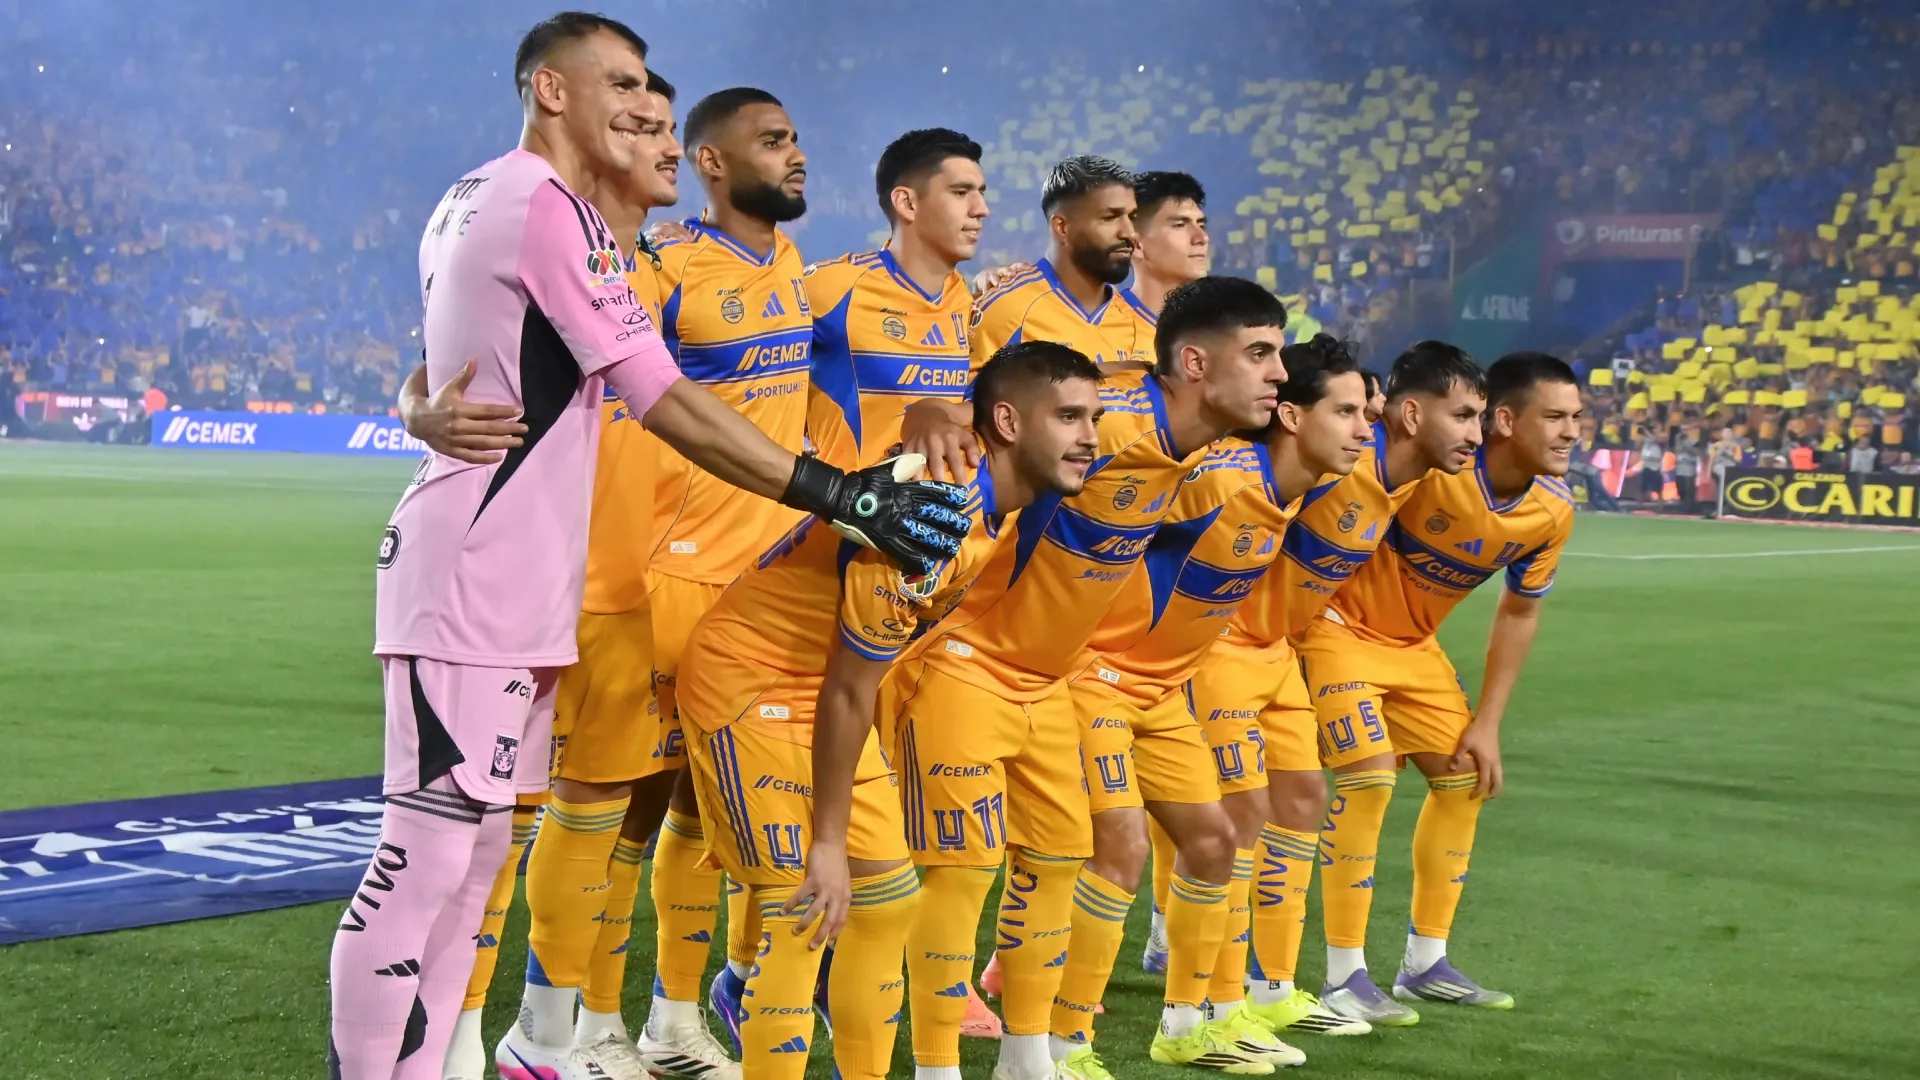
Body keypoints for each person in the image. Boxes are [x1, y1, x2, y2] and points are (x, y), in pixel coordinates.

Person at [325, 16, 968, 1080]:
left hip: (530, 573)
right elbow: (657, 394)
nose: (645, 112)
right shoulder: (556, 212)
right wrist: (839, 496)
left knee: (485, 849)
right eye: (622, 85)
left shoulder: (497, 201)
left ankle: (490, 1050)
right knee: (433, 851)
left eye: (659, 101)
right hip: (512, 569)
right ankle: (498, 1043)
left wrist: (416, 408)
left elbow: (450, 356)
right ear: (550, 89)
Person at [889, 277, 1290, 1080]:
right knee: (963, 874)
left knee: (1062, 860)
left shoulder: (1198, 456)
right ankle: (935, 1066)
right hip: (964, 666)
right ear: (1194, 362)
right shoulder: (1107, 421)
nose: (1279, 373)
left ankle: (1029, 1056)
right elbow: (988, 427)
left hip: (1049, 681)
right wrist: (929, 415)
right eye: (1260, 354)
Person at [398, 67, 712, 1080]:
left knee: (620, 815)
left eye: (668, 124)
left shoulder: (672, 265)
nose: (659, 142)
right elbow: (449, 354)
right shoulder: (564, 240)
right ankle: (460, 1038)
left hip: (641, 589)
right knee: (497, 830)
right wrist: (414, 406)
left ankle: (574, 1028)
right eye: (639, 120)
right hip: (548, 581)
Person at [678, 341, 1105, 1080]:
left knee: (885, 903)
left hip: (816, 685)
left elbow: (855, 677)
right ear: (1006, 421)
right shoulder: (938, 513)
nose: (1091, 437)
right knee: (806, 906)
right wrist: (829, 843)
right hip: (752, 681)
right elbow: (848, 689)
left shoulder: (979, 495)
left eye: (1094, 417)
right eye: (1069, 416)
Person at [1046, 334, 1378, 1075]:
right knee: (1119, 851)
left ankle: (1188, 1025)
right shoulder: (1221, 479)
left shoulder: (1291, 489)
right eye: (1349, 411)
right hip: (1096, 678)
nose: (1365, 429)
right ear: (1293, 418)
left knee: (1215, 842)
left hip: (1161, 692)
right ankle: (1061, 1044)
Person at [1188, 340, 1479, 1037]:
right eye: (1348, 410)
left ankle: (1272, 986)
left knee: (1302, 800)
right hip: (1220, 645)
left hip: (1277, 650)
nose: (1361, 425)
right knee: (1233, 820)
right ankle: (1214, 1001)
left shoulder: (1395, 479)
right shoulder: (1304, 471)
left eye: (1364, 411)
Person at [1296, 351, 1579, 1024]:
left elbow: (1520, 610)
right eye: (1557, 417)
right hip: (1337, 631)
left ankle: (1424, 963)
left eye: (1578, 418)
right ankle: (1344, 976)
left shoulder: (1551, 512)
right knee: (1367, 778)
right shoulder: (1432, 468)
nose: (1572, 432)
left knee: (1464, 777)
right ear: (1506, 420)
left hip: (1413, 649)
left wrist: (1488, 721)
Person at [639, 85, 822, 1060]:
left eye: (795, 139)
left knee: (730, 813)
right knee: (640, 803)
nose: (796, 155)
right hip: (673, 575)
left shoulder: (798, 265)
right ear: (711, 162)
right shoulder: (666, 261)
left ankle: (709, 999)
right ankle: (596, 1023)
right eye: (772, 141)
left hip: (769, 590)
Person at [907, 155, 1156, 484]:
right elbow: (957, 413)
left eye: (1132, 217)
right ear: (1062, 227)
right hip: (1019, 524)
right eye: (1111, 217)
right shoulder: (1006, 306)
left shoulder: (1146, 327)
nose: (1129, 233)